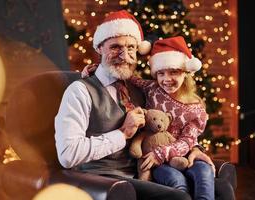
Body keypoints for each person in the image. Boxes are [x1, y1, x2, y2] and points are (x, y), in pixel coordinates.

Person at [55, 10, 214, 200]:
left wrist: (195, 148)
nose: (124, 55)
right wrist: (123, 133)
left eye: (131, 47)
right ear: (99, 48)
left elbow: (169, 126)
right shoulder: (79, 91)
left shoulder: (141, 89)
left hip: (143, 171)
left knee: (215, 186)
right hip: (104, 180)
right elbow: (67, 155)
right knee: (179, 198)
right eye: (115, 47)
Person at [128, 36, 214, 199]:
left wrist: (162, 153)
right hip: (155, 159)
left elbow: (187, 140)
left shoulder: (196, 107)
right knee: (176, 180)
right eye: (161, 73)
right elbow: (127, 76)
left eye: (173, 72)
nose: (166, 79)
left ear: (186, 72)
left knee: (205, 173)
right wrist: (97, 68)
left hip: (182, 155)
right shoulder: (152, 89)